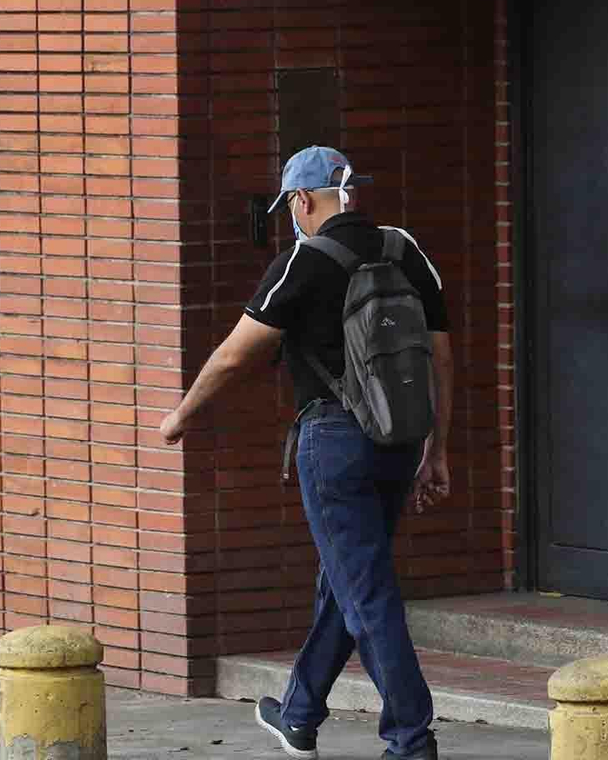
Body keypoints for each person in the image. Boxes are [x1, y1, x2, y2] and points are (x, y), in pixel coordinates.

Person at [159, 145, 453, 760]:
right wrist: (437, 448)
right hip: (399, 441)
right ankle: (298, 715)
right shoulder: (404, 249)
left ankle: (411, 740)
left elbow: (236, 354)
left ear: (301, 200)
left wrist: (182, 415)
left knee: (365, 590)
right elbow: (440, 356)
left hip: (335, 443)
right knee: (345, 581)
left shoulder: (303, 261)